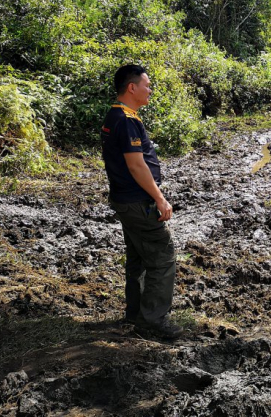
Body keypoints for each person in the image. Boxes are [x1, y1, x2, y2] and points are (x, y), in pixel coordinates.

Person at [101, 64, 183, 339]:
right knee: (162, 256)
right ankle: (153, 321)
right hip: (138, 202)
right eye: (147, 85)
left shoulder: (116, 116)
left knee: (137, 259)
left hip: (125, 200)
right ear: (132, 87)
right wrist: (160, 198)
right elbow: (136, 165)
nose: (150, 90)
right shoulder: (125, 120)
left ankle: (135, 315)